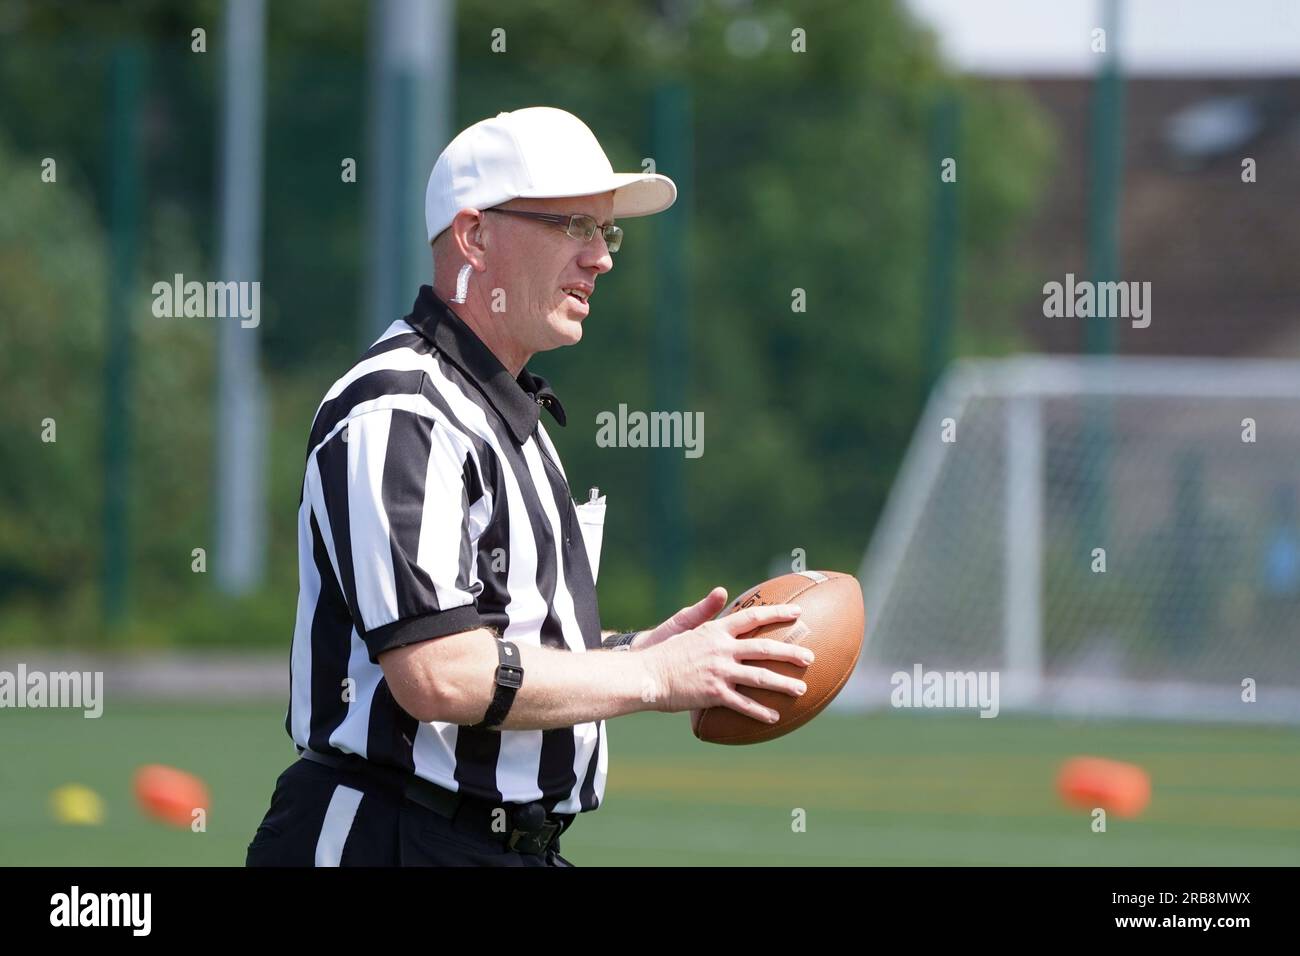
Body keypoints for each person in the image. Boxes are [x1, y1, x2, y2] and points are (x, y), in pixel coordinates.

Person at [245, 107, 812, 867]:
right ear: (475, 237)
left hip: (492, 844)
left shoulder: (505, 412)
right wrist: (651, 675)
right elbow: (438, 673)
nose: (601, 258)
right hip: (395, 838)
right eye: (573, 225)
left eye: (605, 232)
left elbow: (496, 639)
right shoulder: (402, 408)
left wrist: (637, 649)